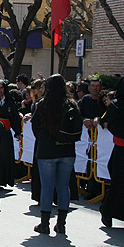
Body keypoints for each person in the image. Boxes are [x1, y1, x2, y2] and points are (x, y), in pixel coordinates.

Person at [31, 74, 80, 235]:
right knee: (63, 186)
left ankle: (44, 223)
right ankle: (61, 223)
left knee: (47, 186)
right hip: (67, 149)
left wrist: (44, 138)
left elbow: (35, 125)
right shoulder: (72, 104)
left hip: (47, 150)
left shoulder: (43, 104)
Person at [99, 77, 124, 229]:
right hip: (122, 150)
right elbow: (113, 125)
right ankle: (107, 210)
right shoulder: (116, 105)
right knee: (120, 182)